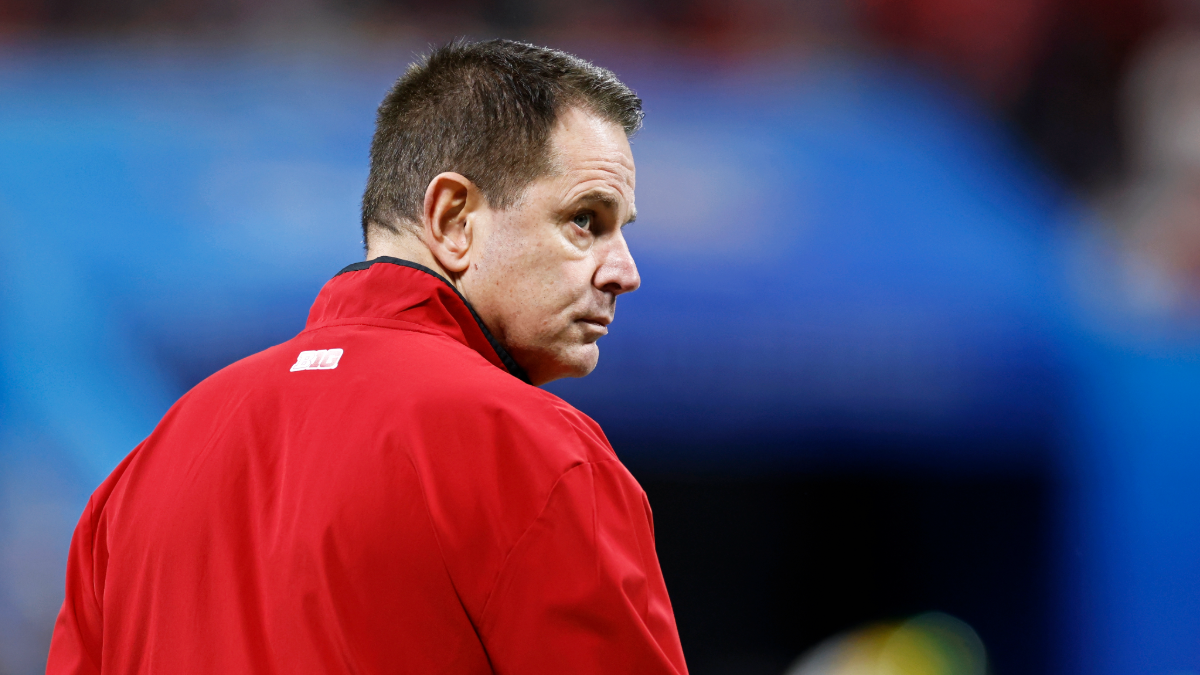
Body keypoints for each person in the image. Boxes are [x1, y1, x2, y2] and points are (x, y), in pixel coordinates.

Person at [47, 39, 688, 675]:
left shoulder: (142, 470)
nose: (624, 272)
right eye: (586, 220)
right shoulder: (536, 451)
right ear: (454, 218)